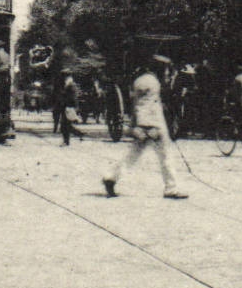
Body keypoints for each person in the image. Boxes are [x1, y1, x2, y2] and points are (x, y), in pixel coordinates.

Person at [103, 56, 186, 199]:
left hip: (144, 125)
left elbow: (136, 105)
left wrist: (138, 126)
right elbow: (147, 105)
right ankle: (171, 189)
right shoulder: (152, 83)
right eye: (166, 69)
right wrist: (150, 127)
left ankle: (112, 177)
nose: (167, 73)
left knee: (132, 156)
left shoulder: (141, 80)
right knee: (166, 156)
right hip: (154, 126)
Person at [59, 70, 83, 146]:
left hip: (69, 107)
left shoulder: (71, 85)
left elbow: (73, 97)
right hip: (67, 107)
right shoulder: (69, 85)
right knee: (66, 125)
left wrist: (72, 107)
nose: (64, 78)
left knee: (64, 125)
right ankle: (78, 134)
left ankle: (67, 141)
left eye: (65, 76)